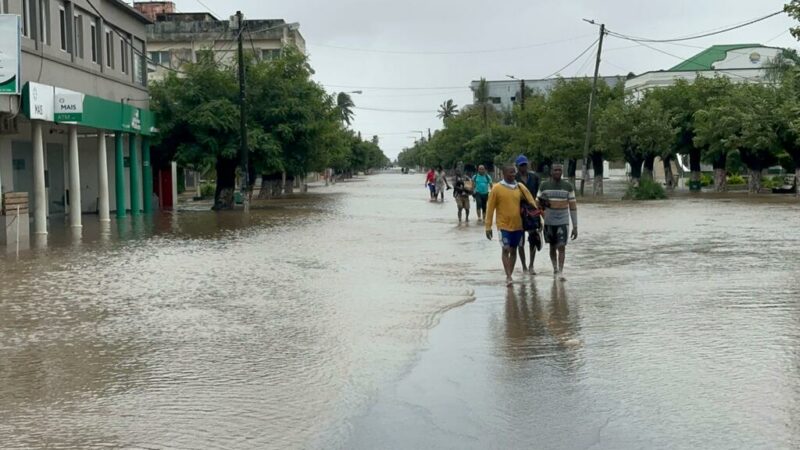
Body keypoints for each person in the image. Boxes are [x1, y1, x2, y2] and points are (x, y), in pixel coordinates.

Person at [485, 165, 538, 286]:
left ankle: (510, 273)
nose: (513, 174)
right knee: (505, 249)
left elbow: (531, 202)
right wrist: (488, 227)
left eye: (514, 172)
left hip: (518, 225)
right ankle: (508, 276)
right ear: (503, 174)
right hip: (503, 225)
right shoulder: (496, 188)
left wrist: (537, 219)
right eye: (510, 172)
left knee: (514, 250)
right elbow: (490, 208)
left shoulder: (520, 187)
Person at [537, 163, 578, 280]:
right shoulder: (544, 186)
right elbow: (537, 204)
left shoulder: (568, 186)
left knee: (561, 246)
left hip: (563, 221)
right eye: (555, 170)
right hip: (549, 221)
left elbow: (573, 207)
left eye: (560, 170)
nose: (558, 172)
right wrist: (542, 209)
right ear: (551, 171)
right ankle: (554, 268)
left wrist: (575, 226)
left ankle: (560, 271)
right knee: (552, 247)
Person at [515, 155, 543, 274]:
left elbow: (539, 194)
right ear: (517, 166)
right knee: (520, 241)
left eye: (525, 165)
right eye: (521, 165)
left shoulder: (535, 177)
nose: (523, 167)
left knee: (533, 238)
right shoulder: (514, 178)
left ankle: (531, 265)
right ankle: (524, 266)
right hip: (518, 211)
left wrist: (540, 210)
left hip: (532, 211)